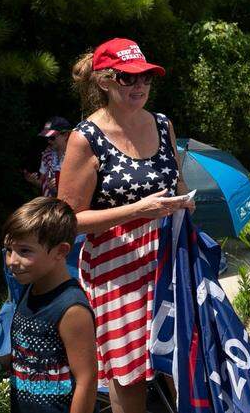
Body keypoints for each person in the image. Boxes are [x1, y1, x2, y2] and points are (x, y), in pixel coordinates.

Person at [58, 38, 193, 413]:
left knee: (181, 363)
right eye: (128, 78)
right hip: (117, 270)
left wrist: (185, 201)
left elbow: (176, 182)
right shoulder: (86, 138)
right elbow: (67, 221)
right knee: (130, 374)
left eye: (146, 78)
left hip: (168, 258)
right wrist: (136, 211)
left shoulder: (162, 123)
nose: (139, 86)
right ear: (104, 82)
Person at [0, 197, 97, 413]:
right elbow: (33, 357)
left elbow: (86, 380)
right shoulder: (30, 288)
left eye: (24, 251)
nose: (12, 261)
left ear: (61, 251)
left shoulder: (71, 310)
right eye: (8, 250)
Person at [25, 117, 73, 197]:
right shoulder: (46, 156)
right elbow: (43, 184)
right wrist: (34, 181)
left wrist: (61, 187)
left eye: (52, 138)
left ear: (65, 135)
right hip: (51, 204)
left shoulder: (75, 156)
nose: (49, 141)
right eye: (47, 138)